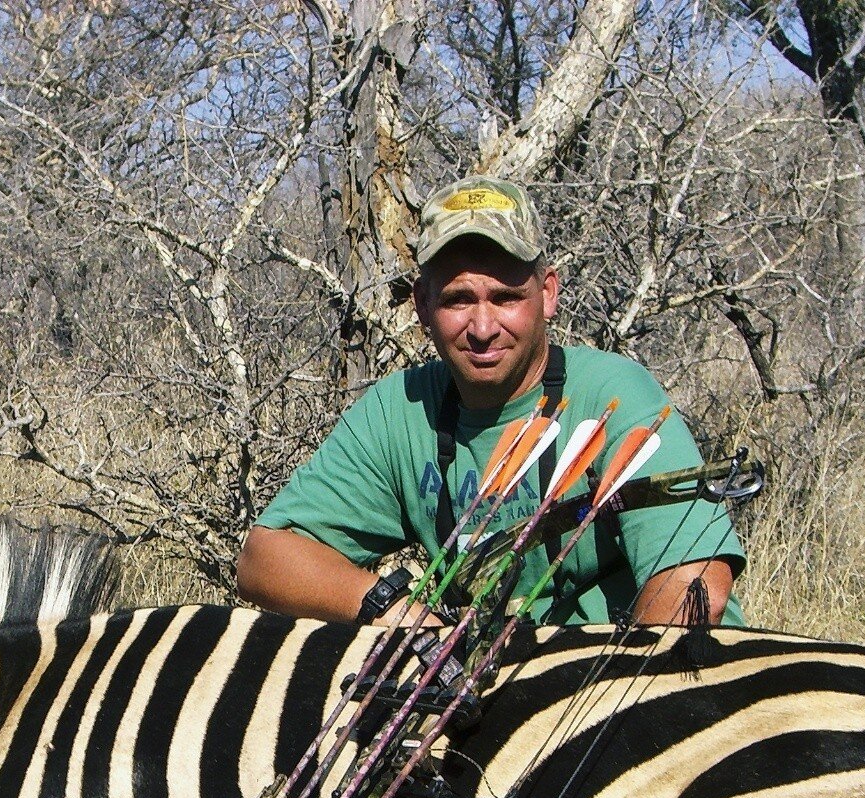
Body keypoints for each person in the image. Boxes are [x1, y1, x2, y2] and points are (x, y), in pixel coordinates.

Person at [236, 175, 746, 630]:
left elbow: (695, 590)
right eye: (459, 299)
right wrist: (400, 614)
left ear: (547, 294)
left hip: (633, 685)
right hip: (496, 696)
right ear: (422, 305)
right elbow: (265, 559)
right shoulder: (401, 408)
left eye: (505, 298)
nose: (483, 328)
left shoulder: (615, 394)